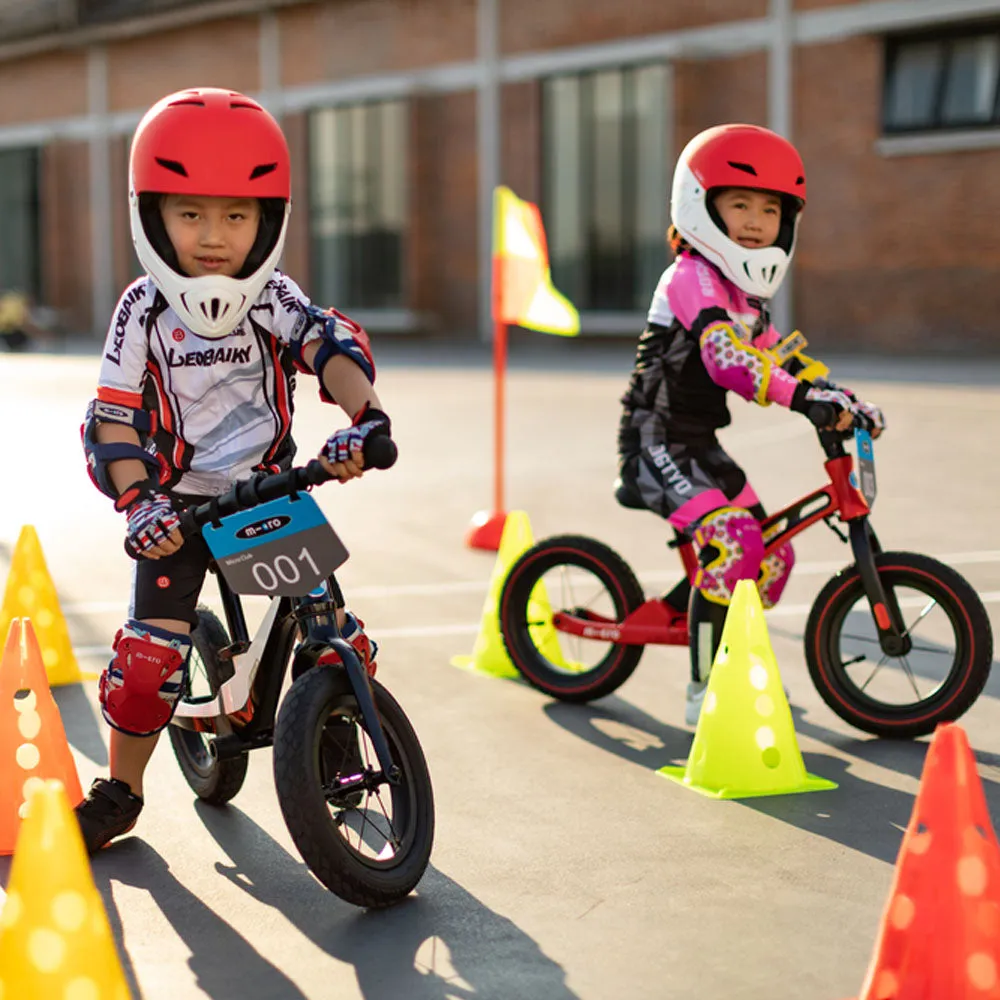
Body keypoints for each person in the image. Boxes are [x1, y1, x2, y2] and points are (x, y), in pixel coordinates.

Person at [75, 87, 394, 852]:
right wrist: (137, 503)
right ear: (152, 216)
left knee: (335, 637)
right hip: (176, 506)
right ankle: (122, 791)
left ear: (268, 220)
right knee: (149, 659)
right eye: (191, 214)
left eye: (236, 215)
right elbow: (113, 415)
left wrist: (367, 419)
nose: (214, 236)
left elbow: (328, 349)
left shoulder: (273, 296)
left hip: (265, 493)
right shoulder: (142, 310)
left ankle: (337, 744)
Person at [616, 123, 885, 726]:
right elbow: (726, 357)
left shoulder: (745, 298)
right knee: (737, 540)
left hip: (697, 444)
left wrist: (839, 396)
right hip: (653, 441)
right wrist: (799, 400)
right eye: (740, 204)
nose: (757, 220)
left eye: (771, 208)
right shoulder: (691, 278)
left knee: (772, 556)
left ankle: (737, 663)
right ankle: (706, 689)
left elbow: (783, 355)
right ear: (700, 206)